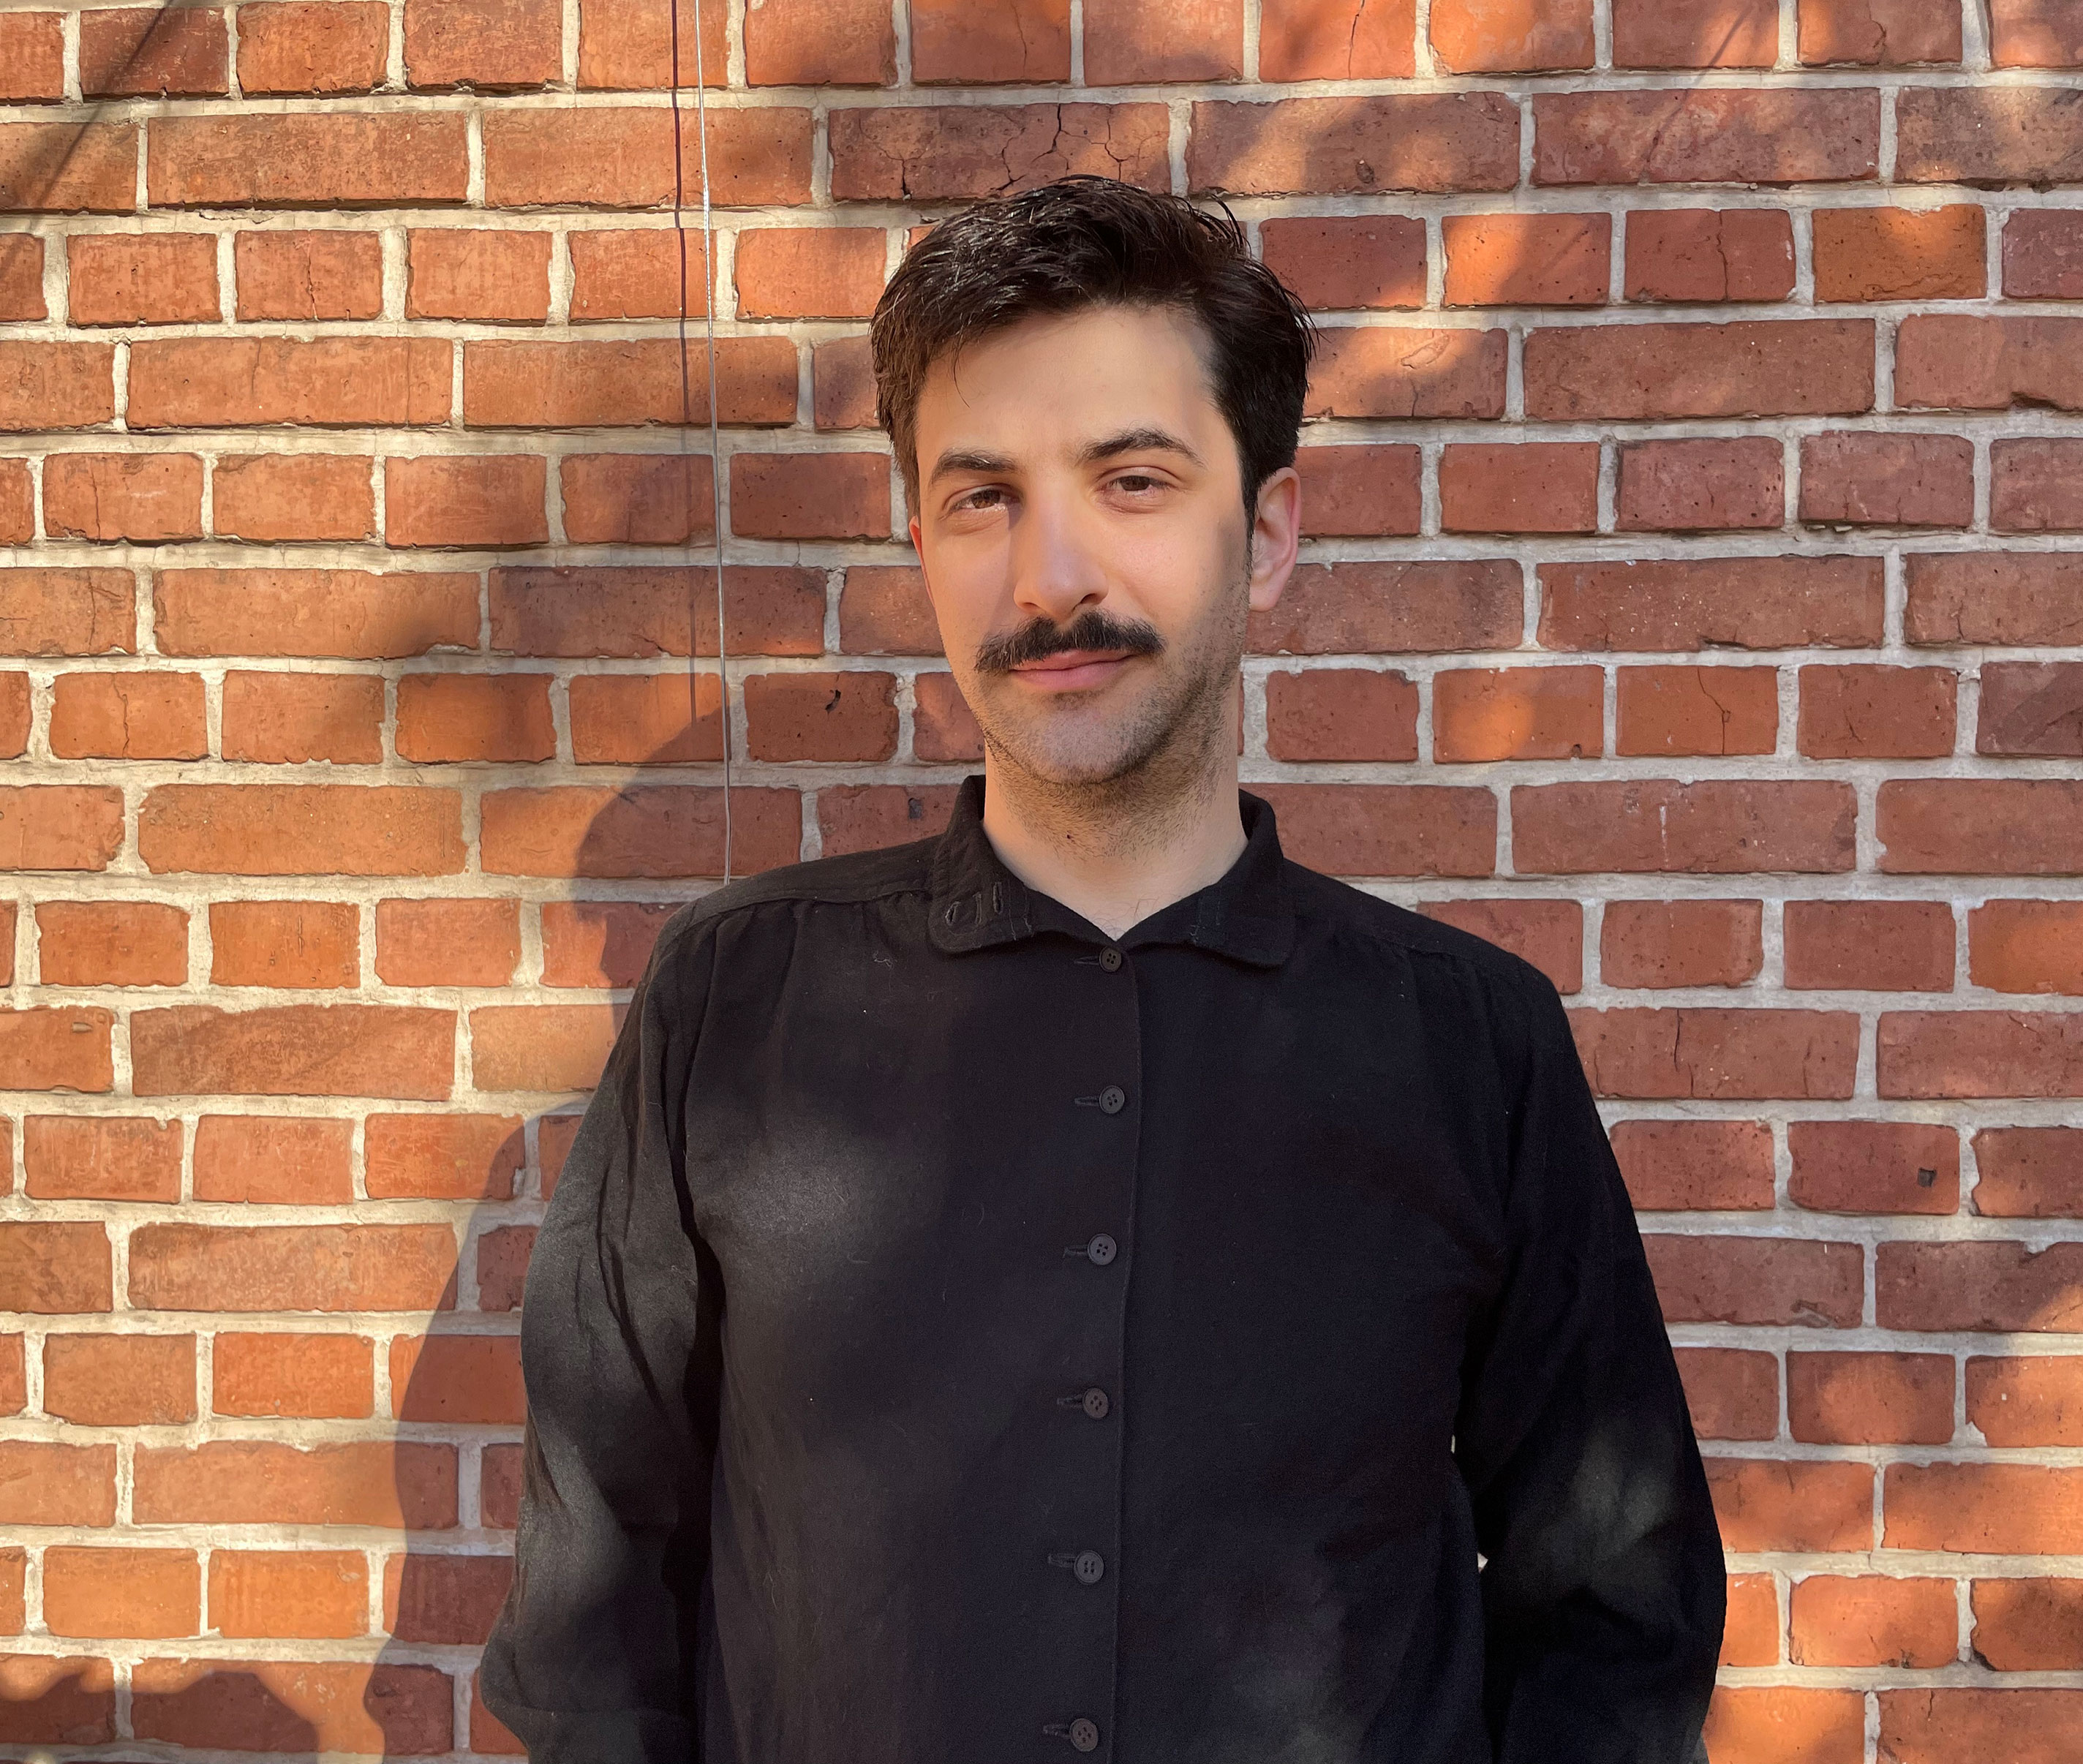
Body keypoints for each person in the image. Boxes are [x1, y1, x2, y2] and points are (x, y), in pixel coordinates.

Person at [481, 174, 1725, 1764]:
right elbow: (592, 1618)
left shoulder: (1471, 1049)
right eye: (981, 497)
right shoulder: (729, 1008)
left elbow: (1617, 1608)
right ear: (920, 543)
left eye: (1132, 481)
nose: (1050, 574)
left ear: (1264, 534)